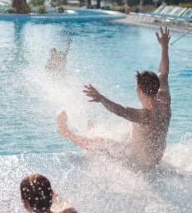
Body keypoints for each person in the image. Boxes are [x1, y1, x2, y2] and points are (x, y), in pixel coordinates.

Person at [57, 27, 172, 170]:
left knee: (101, 143)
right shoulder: (165, 101)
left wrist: (101, 98)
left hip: (139, 165)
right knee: (124, 135)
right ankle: (90, 133)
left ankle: (67, 134)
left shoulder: (146, 115)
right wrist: (164, 47)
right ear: (156, 86)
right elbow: (163, 73)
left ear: (139, 90)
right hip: (154, 160)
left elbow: (121, 111)